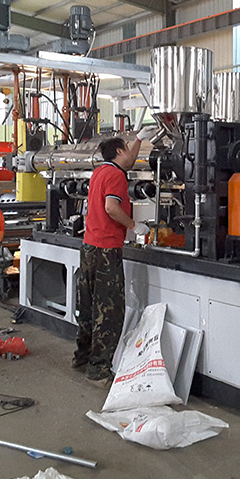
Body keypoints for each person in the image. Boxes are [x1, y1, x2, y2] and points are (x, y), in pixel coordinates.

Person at [73, 127, 157, 386]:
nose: (130, 155)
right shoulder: (116, 176)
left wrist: (139, 139)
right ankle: (98, 369)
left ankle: (82, 357)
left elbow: (128, 162)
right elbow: (111, 207)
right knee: (109, 311)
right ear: (119, 151)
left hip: (89, 247)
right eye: (127, 148)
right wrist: (134, 225)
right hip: (107, 251)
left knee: (88, 306)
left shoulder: (100, 171)